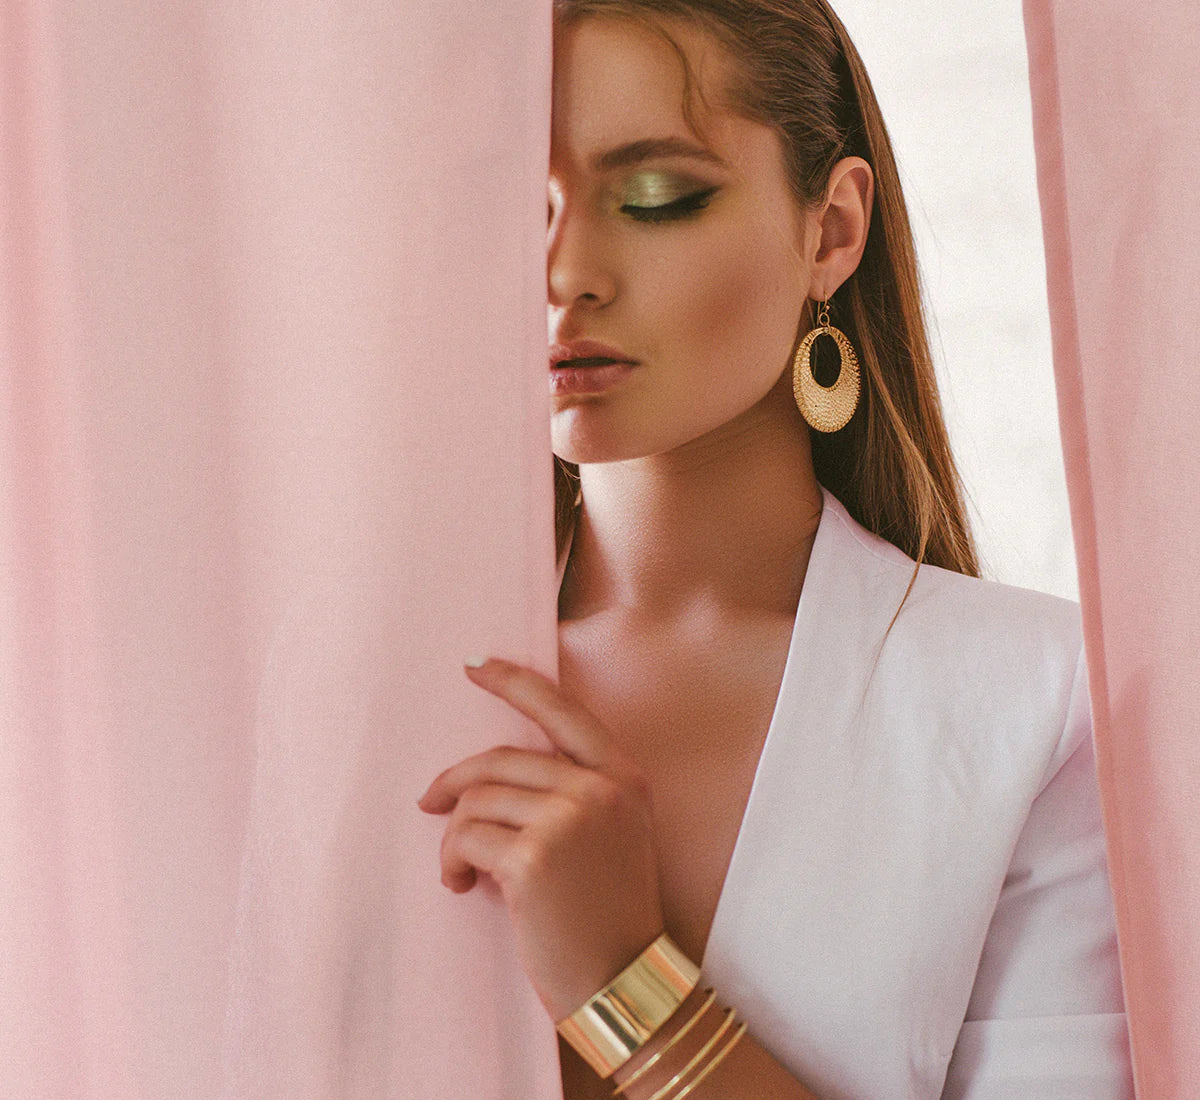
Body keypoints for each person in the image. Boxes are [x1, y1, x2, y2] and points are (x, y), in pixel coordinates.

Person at [417, 1, 1134, 1096]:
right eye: (521, 203)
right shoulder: (372, 689)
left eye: (655, 195)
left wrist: (626, 986)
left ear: (831, 230)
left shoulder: (1040, 701)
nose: (565, 270)